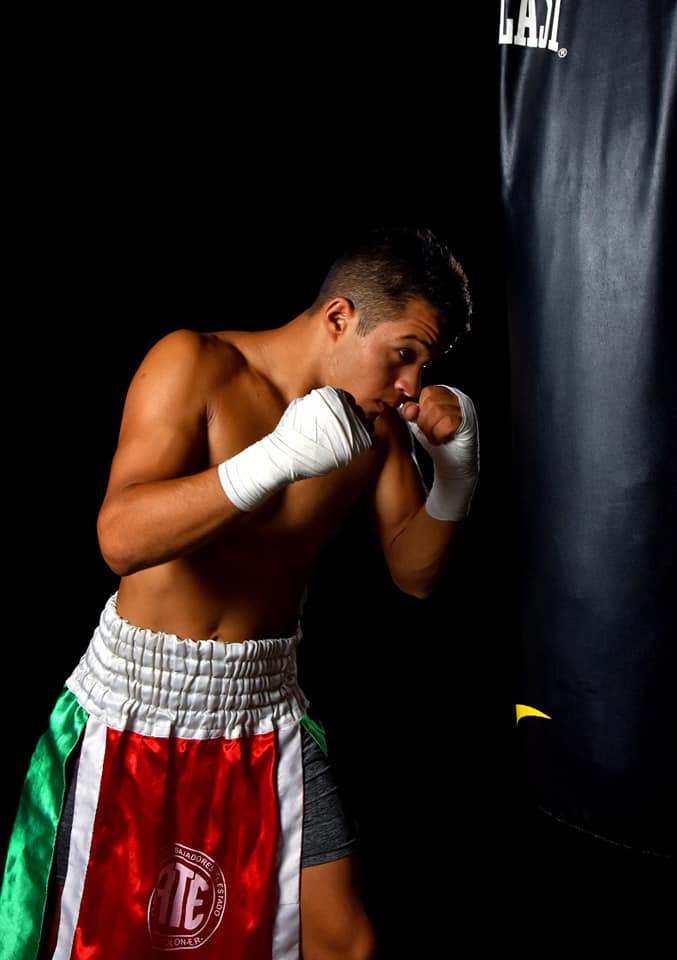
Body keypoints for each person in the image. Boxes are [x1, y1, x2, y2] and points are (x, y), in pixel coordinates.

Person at [2, 226, 479, 960]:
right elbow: (119, 538)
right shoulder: (194, 364)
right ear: (339, 317)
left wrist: (454, 475)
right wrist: (274, 459)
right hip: (133, 706)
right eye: (403, 354)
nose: (412, 385)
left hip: (264, 705)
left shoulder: (377, 427)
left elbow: (414, 574)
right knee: (98, 940)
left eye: (425, 364)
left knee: (345, 943)